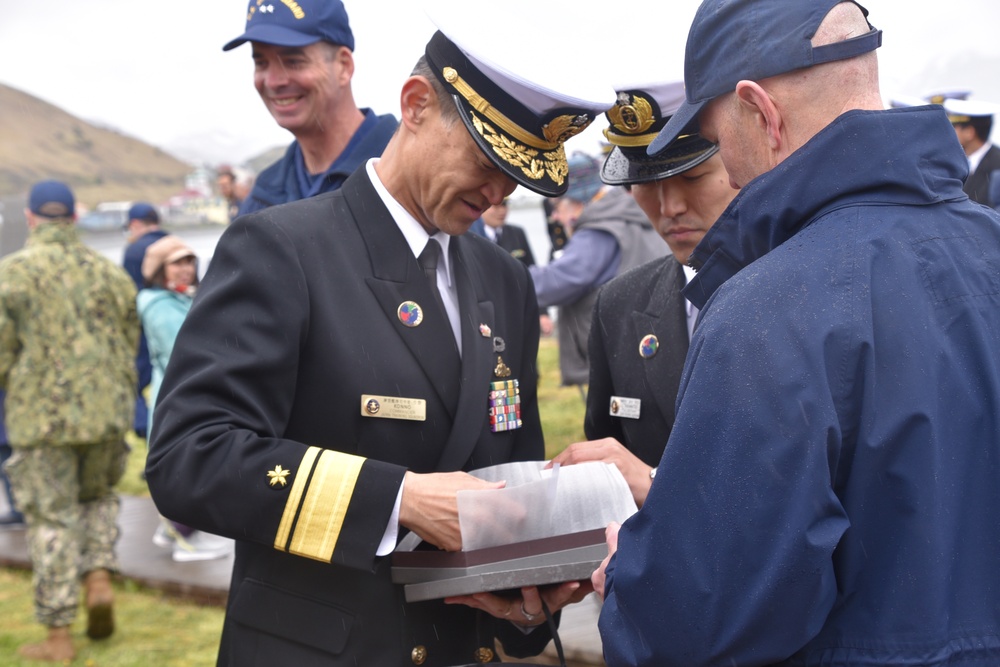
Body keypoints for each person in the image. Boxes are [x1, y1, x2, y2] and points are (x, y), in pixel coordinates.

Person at [146, 23, 611, 665]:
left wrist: (526, 601)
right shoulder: (281, 250)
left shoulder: (503, 280)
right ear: (416, 103)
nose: (499, 192)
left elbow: (509, 465)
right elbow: (188, 457)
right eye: (486, 160)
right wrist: (400, 500)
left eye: (516, 177)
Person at [595, 0, 1000, 665]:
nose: (726, 170)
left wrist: (625, 581)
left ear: (760, 110)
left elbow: (700, 624)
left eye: (718, 139)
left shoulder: (767, 309)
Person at [549, 81, 736, 508]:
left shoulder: (806, 295)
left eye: (691, 176)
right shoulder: (620, 305)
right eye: (645, 183)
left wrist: (656, 484)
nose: (668, 207)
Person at [0, 180, 138, 662]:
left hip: (42, 421)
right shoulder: (109, 273)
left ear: (32, 217)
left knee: (50, 519)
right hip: (106, 414)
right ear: (73, 218)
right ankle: (98, 579)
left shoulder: (11, 275)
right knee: (97, 499)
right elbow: (128, 342)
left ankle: (58, 635)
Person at [223, 0, 398, 215]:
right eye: (261, 63)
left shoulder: (407, 173)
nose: (273, 81)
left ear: (343, 66)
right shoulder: (263, 198)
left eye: (293, 61)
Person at [529, 153, 667, 388]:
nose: (554, 215)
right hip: (650, 348)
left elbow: (557, 282)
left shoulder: (598, 230)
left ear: (578, 200)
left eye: (557, 204)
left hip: (620, 357)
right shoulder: (627, 216)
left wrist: (507, 275)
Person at [137, 236, 233, 563]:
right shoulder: (159, 306)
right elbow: (185, 349)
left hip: (183, 395)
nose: (186, 269)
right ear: (159, 269)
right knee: (190, 466)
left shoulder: (176, 300)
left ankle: (171, 531)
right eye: (177, 262)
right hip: (179, 398)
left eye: (189, 261)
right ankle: (189, 541)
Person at [122, 201, 167, 440]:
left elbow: (130, 295)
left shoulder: (135, 250)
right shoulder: (175, 245)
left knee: (133, 383)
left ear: (136, 224)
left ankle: (146, 431)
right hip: (178, 323)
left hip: (146, 328)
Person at [942, 97, 1000, 207]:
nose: (949, 133)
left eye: (954, 128)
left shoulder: (997, 165)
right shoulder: (956, 161)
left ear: (969, 132)